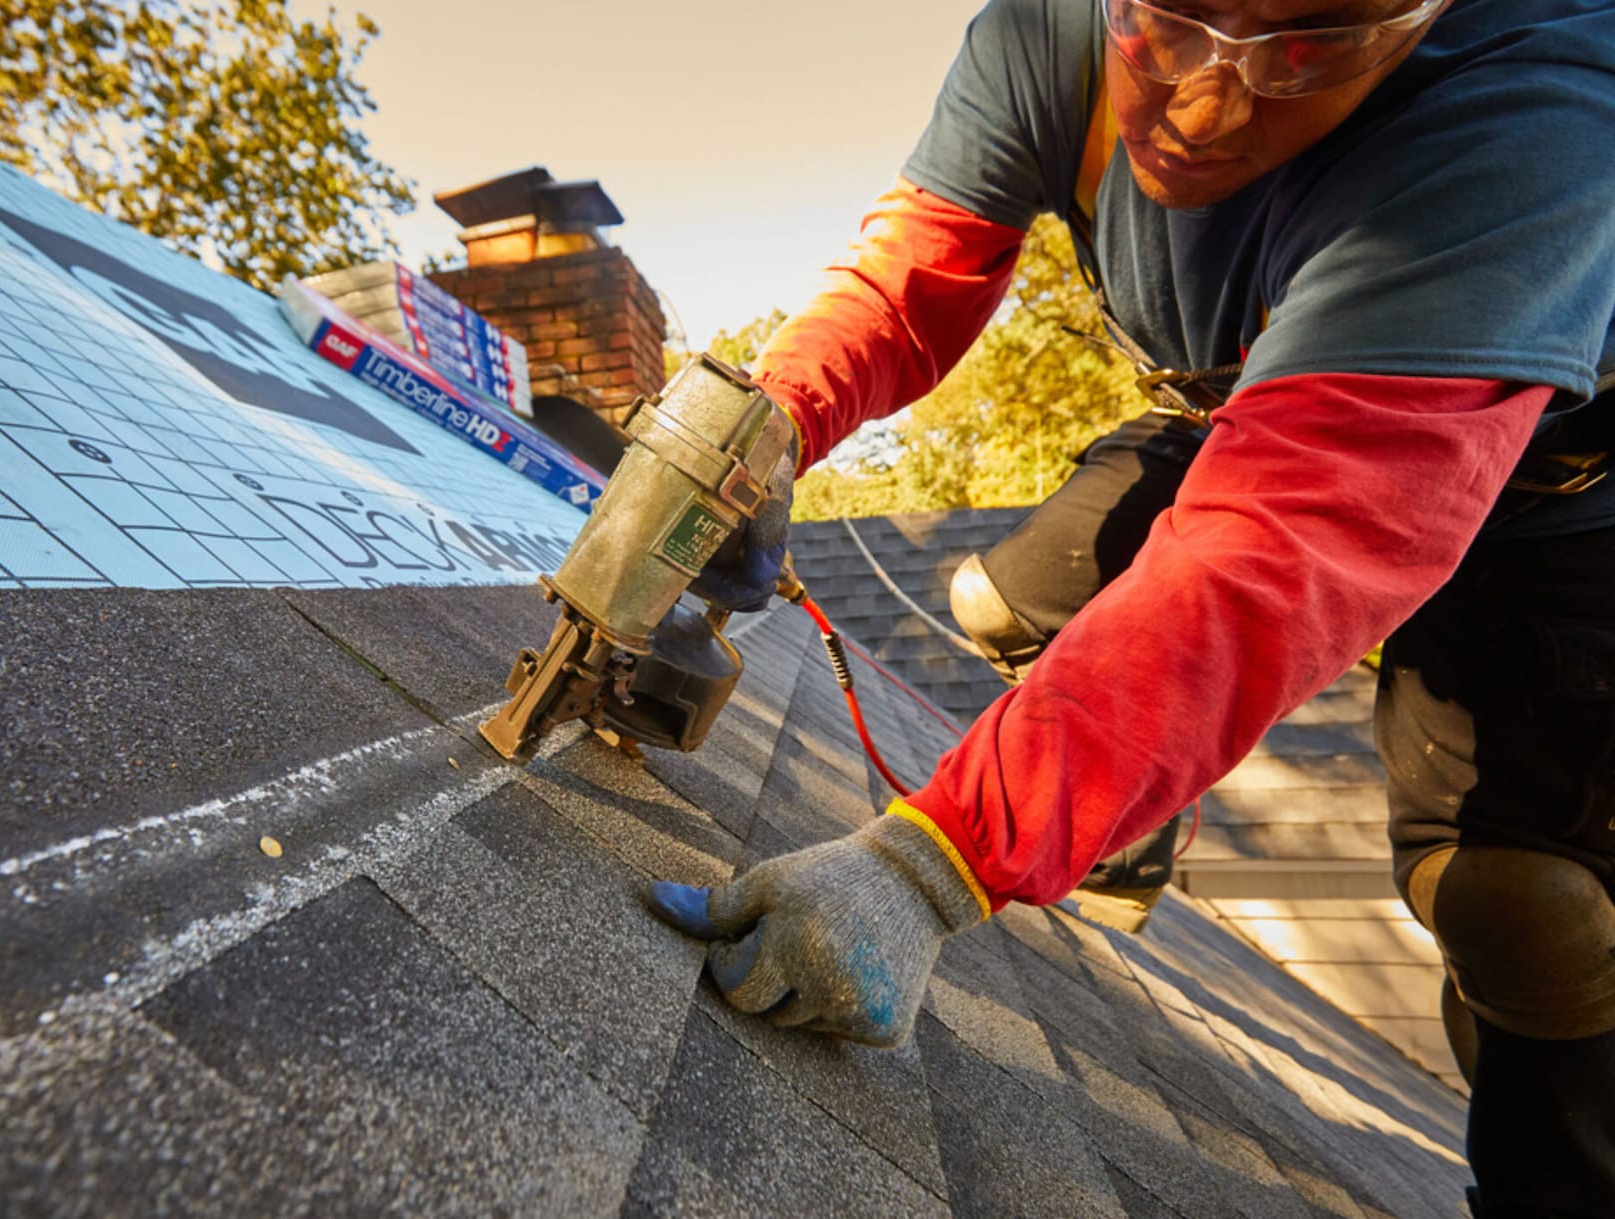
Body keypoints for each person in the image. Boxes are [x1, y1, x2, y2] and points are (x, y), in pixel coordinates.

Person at [647, 0, 1615, 1214]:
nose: (1204, 107)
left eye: (1304, 48)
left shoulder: (1545, 110)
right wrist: (758, 432)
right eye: (1167, 21)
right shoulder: (1043, 36)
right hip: (1249, 416)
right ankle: (1133, 809)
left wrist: (933, 861)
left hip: (1552, 520)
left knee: (1523, 913)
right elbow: (911, 279)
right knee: (1006, 596)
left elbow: (1275, 548)